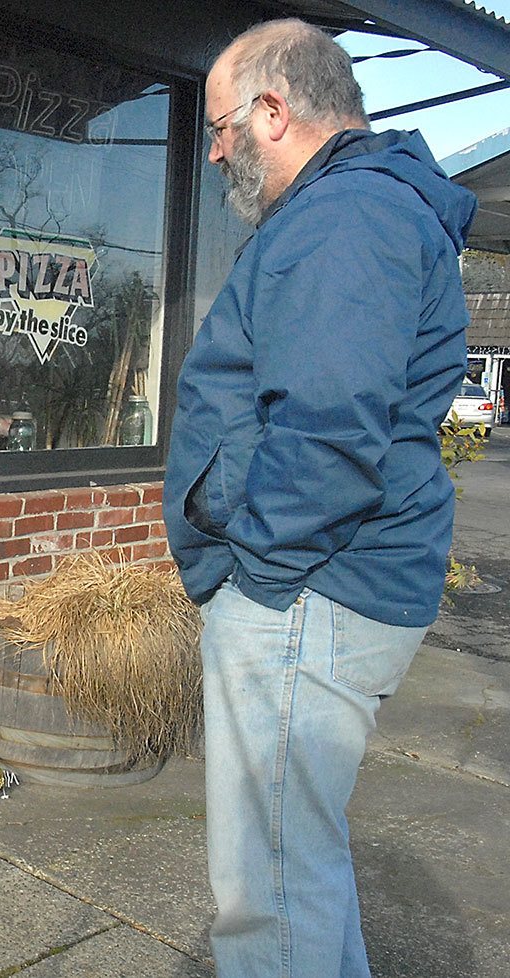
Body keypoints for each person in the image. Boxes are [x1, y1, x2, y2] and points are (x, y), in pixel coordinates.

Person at [164, 18, 476, 978]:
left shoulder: (344, 218)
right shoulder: (353, 212)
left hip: (306, 594)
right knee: (300, 870)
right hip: (320, 588)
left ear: (273, 109)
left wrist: (254, 578)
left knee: (270, 897)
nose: (214, 149)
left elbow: (330, 432)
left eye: (220, 126)